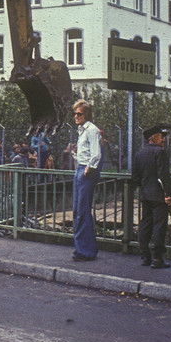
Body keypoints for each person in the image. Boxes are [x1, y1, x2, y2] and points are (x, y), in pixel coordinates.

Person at [133, 123, 171, 269]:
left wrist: (143, 189)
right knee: (159, 226)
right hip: (158, 196)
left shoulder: (139, 153)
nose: (163, 140)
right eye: (161, 137)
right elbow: (163, 175)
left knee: (145, 225)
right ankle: (158, 258)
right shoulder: (160, 152)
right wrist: (168, 194)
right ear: (154, 138)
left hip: (145, 194)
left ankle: (145, 256)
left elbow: (135, 177)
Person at [71, 100, 102, 262]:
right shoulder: (82, 130)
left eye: (79, 114)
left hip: (85, 171)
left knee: (82, 210)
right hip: (80, 169)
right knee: (77, 210)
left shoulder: (92, 130)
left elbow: (96, 154)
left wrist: (88, 169)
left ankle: (85, 251)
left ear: (86, 115)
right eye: (75, 113)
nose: (76, 116)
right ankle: (84, 248)